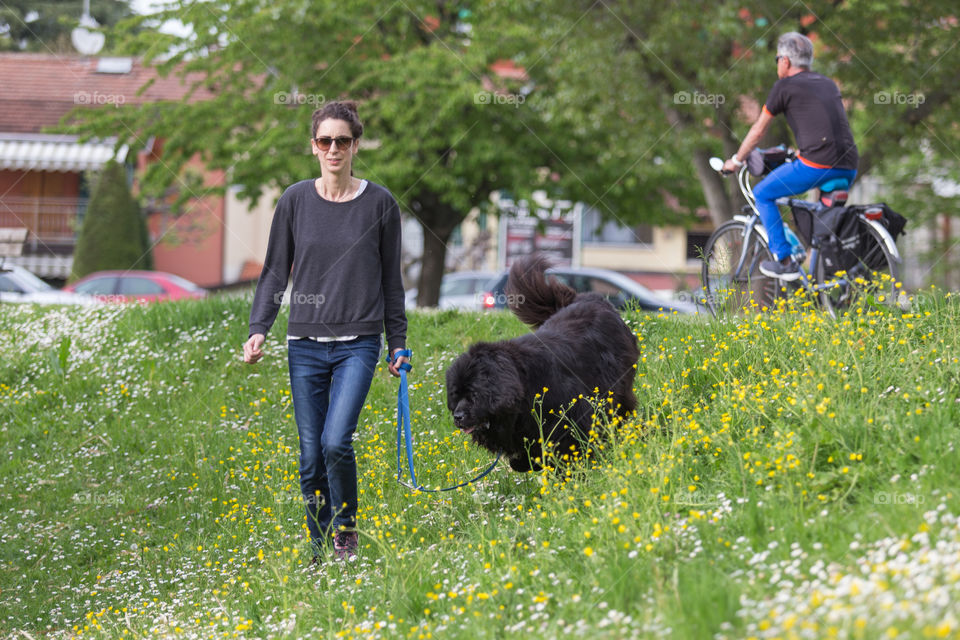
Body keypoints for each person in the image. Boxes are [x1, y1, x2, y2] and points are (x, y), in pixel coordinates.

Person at [242, 100, 409, 563]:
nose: (333, 148)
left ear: (355, 145)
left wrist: (397, 343)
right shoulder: (295, 200)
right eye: (325, 140)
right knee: (310, 455)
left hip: (359, 342)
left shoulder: (379, 204)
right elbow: (276, 273)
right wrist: (260, 329)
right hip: (305, 346)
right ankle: (317, 547)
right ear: (313, 147)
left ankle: (347, 533)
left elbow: (391, 282)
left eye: (343, 140)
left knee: (337, 441)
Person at [723, 32, 859, 281]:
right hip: (849, 166)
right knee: (823, 225)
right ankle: (830, 282)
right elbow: (827, 126)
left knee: (763, 193)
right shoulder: (828, 83)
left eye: (777, 59)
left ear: (784, 61)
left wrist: (737, 160)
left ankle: (784, 261)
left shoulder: (784, 86)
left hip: (817, 164)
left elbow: (758, 130)